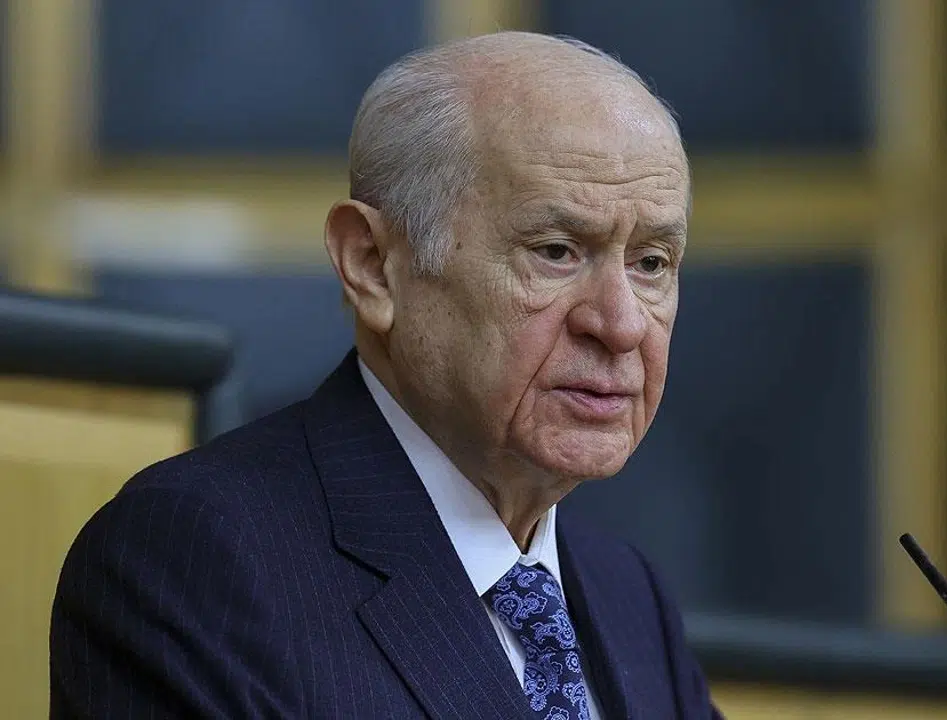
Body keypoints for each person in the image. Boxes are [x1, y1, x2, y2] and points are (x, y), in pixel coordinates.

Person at [51, 31, 721, 719]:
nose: (622, 325)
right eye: (556, 251)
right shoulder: (195, 562)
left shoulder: (626, 593)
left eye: (651, 263)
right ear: (372, 265)